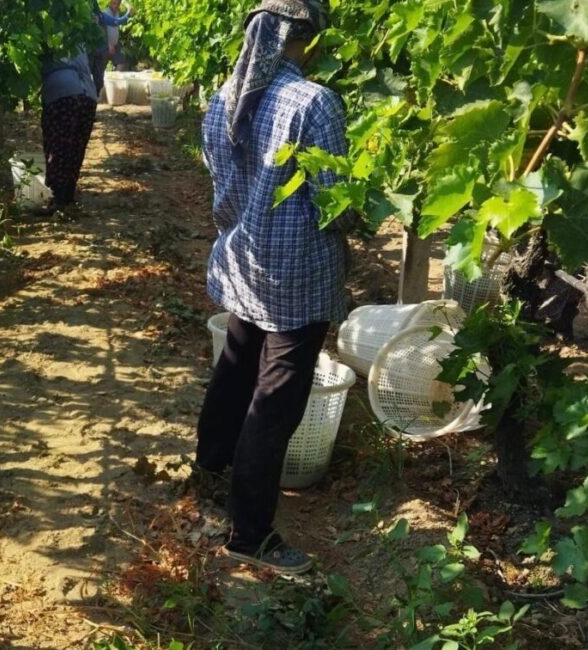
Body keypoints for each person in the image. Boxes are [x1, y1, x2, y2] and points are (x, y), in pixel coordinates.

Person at [190, 0, 350, 575]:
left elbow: (222, 181)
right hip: (296, 273)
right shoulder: (314, 102)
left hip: (244, 260)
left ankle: (209, 471)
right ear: (299, 38)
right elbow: (334, 202)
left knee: (236, 365)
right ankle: (250, 534)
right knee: (276, 398)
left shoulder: (223, 98)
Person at [39, 47, 99, 211]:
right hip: (88, 95)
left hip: (62, 93)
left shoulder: (47, 36)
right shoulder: (78, 39)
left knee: (57, 146)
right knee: (76, 147)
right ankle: (67, 194)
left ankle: (57, 198)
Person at [90, 0, 134, 98]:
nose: (116, 5)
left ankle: (102, 94)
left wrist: (128, 14)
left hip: (101, 50)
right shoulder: (99, 14)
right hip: (96, 50)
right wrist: (108, 44)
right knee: (93, 74)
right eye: (114, 3)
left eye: (118, 3)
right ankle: (96, 96)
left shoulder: (102, 16)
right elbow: (107, 28)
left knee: (98, 77)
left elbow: (116, 22)